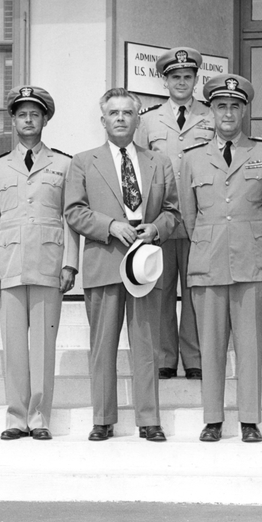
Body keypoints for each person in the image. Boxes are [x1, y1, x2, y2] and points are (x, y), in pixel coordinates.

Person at [64, 88, 180, 442]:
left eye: (126, 112)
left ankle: (149, 419)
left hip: (144, 265)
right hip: (105, 260)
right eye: (112, 113)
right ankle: (103, 418)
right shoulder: (83, 161)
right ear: (103, 120)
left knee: (146, 343)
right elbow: (73, 211)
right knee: (103, 345)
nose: (119, 118)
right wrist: (110, 226)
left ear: (137, 118)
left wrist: (156, 228)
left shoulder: (158, 162)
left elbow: (174, 212)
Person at [179, 74, 262, 443]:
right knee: (211, 345)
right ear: (211, 111)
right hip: (208, 261)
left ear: (244, 111)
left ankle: (250, 419)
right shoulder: (192, 158)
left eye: (235, 106)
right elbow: (190, 216)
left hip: (252, 261)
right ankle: (212, 419)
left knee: (251, 344)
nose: (228, 113)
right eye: (221, 106)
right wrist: (210, 241)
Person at [0, 86, 79, 441]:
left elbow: (70, 218)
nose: (28, 120)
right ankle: (15, 417)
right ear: (13, 120)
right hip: (9, 264)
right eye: (22, 114)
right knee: (14, 346)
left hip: (49, 264)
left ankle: (39, 417)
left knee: (43, 346)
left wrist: (70, 263)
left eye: (35, 114)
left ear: (45, 120)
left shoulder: (64, 165)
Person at [134, 46, 214, 381]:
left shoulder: (211, 117)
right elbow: (136, 166)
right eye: (175, 77)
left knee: (196, 291)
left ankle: (194, 357)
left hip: (200, 219)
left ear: (196, 80)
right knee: (161, 289)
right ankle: (165, 356)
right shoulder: (149, 120)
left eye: (187, 77)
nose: (181, 82)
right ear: (164, 81)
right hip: (161, 220)